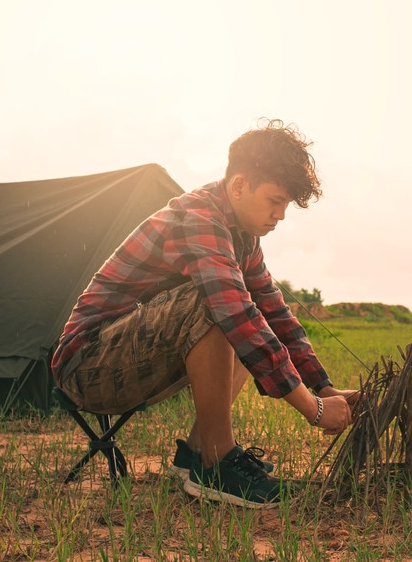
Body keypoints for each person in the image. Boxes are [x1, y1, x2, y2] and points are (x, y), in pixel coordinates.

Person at [50, 119, 357, 508]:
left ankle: (197, 454)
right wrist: (312, 410)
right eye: (275, 201)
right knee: (220, 304)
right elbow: (233, 312)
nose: (280, 215)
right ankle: (216, 463)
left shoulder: (244, 236)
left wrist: (325, 388)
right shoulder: (199, 219)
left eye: (285, 206)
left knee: (255, 316)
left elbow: (275, 315)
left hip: (128, 359)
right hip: (87, 366)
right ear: (240, 185)